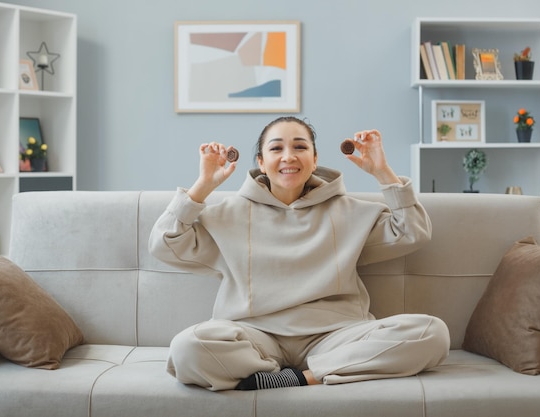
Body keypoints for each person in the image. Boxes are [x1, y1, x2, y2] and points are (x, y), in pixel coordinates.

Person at [148, 116, 450, 391]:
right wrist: (203, 186)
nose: (288, 156)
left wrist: (382, 172)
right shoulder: (226, 215)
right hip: (255, 337)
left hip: (335, 336)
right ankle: (277, 371)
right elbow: (164, 244)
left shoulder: (350, 212)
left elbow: (413, 232)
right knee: (188, 347)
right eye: (276, 148)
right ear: (261, 162)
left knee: (432, 333)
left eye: (300, 147)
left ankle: (300, 377)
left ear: (314, 159)